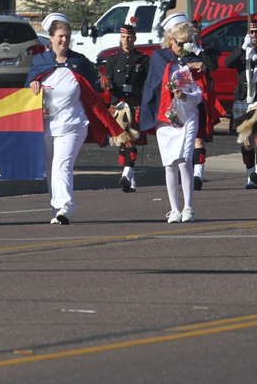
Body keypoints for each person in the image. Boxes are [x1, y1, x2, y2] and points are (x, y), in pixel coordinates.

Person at [26, 13, 121, 225]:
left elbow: (92, 96)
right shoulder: (40, 62)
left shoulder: (80, 62)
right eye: (60, 36)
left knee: (62, 164)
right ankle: (56, 210)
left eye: (67, 36)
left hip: (74, 124)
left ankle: (66, 205)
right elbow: (26, 94)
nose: (64, 40)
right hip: (47, 124)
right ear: (50, 38)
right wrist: (33, 88)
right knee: (51, 169)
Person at [139, 12, 203, 223]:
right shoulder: (159, 56)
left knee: (185, 161)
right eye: (179, 43)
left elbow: (202, 84)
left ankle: (189, 207)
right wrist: (185, 67)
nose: (182, 47)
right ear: (170, 40)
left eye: (186, 43)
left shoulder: (193, 56)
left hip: (188, 114)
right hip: (166, 116)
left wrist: (194, 62)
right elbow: (159, 78)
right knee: (169, 164)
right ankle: (174, 209)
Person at [224, 16, 257, 189]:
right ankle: (250, 176)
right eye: (251, 32)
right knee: (246, 142)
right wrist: (243, 50)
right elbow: (227, 63)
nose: (254, 35)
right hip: (243, 97)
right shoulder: (242, 50)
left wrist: (256, 58)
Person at [100, 20, 148, 192]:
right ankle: (130, 178)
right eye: (123, 37)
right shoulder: (113, 60)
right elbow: (108, 83)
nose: (126, 40)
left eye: (129, 37)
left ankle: (127, 173)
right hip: (119, 103)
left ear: (135, 38)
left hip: (135, 101)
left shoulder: (143, 59)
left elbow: (148, 84)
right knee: (123, 141)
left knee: (129, 139)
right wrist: (107, 87)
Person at [187, 16, 218, 190]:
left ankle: (198, 173)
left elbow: (212, 66)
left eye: (196, 30)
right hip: (185, 97)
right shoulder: (182, 51)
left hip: (202, 97)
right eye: (191, 30)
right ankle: (188, 172)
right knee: (186, 139)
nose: (194, 33)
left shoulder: (206, 51)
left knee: (199, 137)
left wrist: (199, 53)